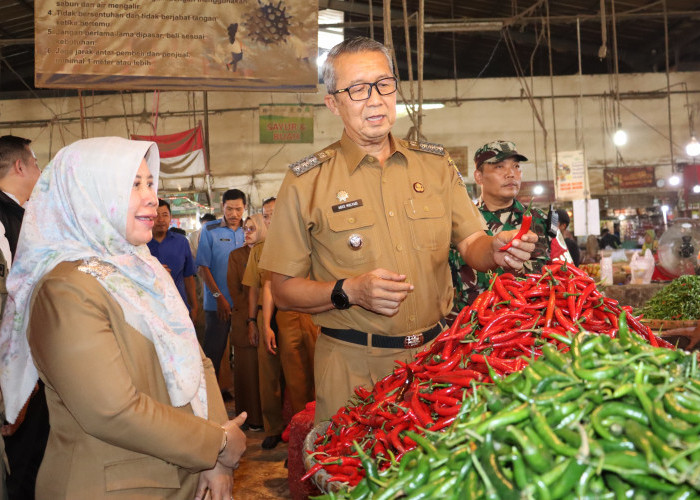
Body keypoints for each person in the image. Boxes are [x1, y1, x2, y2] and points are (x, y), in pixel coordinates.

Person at [258, 37, 536, 423]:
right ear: (332, 102)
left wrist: (497, 250)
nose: (375, 99)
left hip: (438, 362)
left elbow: (473, 242)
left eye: (383, 84)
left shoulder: (435, 166)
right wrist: (349, 291)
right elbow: (284, 289)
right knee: (355, 477)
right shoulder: (307, 182)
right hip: (352, 369)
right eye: (357, 89)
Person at [0, 137, 246, 500]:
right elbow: (112, 410)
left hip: (183, 475)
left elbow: (198, 362)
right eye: (133, 185)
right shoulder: (64, 289)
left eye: (149, 183)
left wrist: (214, 461)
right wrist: (217, 443)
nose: (151, 196)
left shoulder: (143, 270)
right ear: (89, 195)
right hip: (115, 487)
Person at [448, 140, 572, 317]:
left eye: (516, 166)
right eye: (499, 167)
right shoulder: (461, 224)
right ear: (478, 176)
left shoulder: (542, 221)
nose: (511, 174)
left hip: (532, 329)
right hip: (474, 332)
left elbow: (568, 275)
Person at [0, 134, 46, 500]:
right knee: (18, 472)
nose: (39, 169)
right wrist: (10, 394)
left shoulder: (24, 216)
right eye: (34, 162)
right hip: (14, 378)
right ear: (19, 166)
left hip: (31, 370)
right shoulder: (4, 220)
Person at [242, 198, 285, 449]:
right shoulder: (259, 250)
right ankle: (273, 428)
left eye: (274, 214)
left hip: (294, 314)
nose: (270, 220)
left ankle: (299, 428)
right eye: (266, 216)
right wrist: (252, 321)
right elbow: (254, 290)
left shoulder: (302, 243)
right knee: (268, 375)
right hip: (264, 314)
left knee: (298, 374)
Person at [196, 189, 247, 378]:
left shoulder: (249, 230)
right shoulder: (210, 230)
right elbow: (203, 268)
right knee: (213, 355)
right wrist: (219, 298)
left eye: (238, 209)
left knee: (245, 354)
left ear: (245, 208)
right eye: (229, 209)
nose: (234, 214)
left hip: (244, 305)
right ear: (222, 207)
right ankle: (209, 400)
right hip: (217, 305)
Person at [226, 215, 264, 432]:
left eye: (252, 228)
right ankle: (249, 417)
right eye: (245, 228)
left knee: (264, 373)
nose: (247, 232)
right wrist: (251, 317)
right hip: (244, 319)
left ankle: (265, 418)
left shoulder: (270, 253)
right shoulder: (236, 256)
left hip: (266, 318)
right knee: (246, 371)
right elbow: (235, 290)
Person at [148, 198, 199, 322]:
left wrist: (195, 305)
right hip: (151, 308)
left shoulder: (181, 242)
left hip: (179, 305)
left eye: (165, 215)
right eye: (156, 215)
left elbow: (188, 277)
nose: (160, 220)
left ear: (170, 218)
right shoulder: (141, 243)